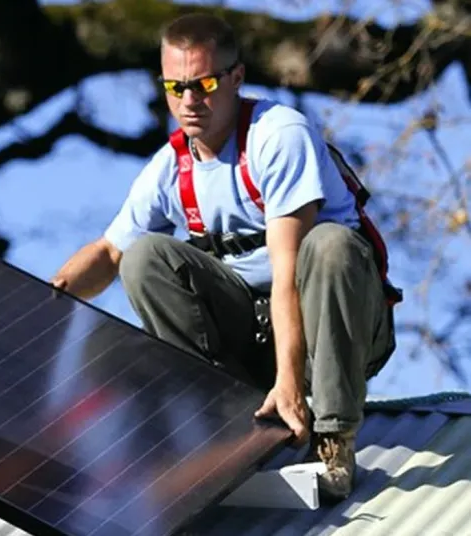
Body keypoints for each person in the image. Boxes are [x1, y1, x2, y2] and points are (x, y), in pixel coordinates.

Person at [50, 13, 399, 501]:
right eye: (176, 86)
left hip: (338, 327)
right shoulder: (171, 167)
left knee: (330, 245)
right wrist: (47, 301)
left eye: (205, 83)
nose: (190, 100)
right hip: (258, 332)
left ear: (237, 78)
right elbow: (109, 252)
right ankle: (222, 421)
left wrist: (290, 386)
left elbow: (285, 276)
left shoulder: (277, 136)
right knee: (144, 257)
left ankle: (334, 438)